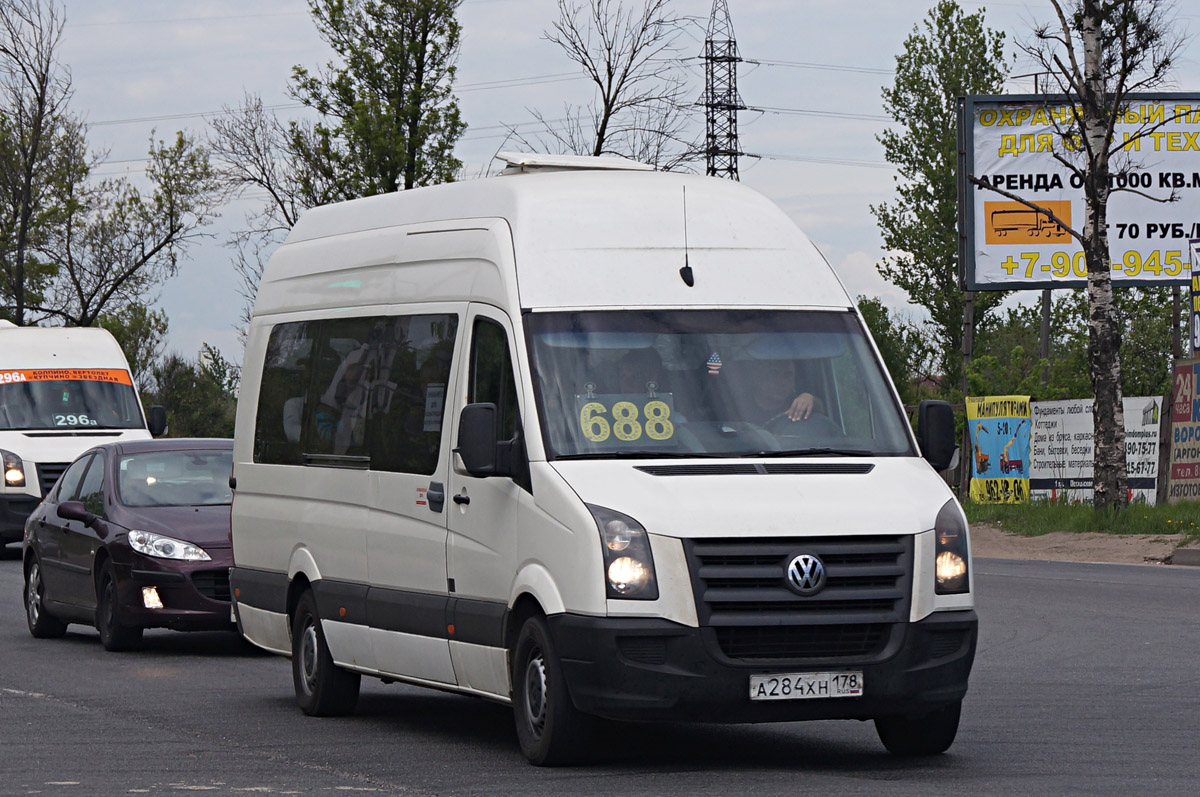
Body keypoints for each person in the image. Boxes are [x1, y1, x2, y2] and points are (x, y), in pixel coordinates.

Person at [742, 359, 819, 425]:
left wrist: (811, 399)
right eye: (774, 374)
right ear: (757, 377)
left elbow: (823, 414)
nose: (782, 382)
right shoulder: (740, 408)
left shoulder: (798, 405)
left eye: (788, 375)